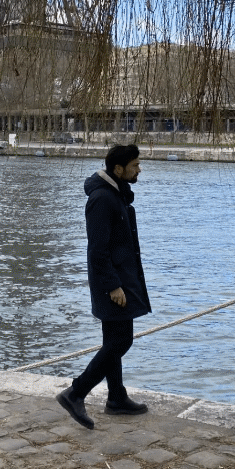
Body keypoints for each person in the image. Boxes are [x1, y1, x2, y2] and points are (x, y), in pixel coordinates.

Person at [55, 144, 153, 429]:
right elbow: (97, 249)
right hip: (112, 283)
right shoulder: (102, 198)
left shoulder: (115, 194)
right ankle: (76, 393)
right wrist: (113, 286)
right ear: (118, 169)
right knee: (121, 341)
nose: (139, 169)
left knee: (114, 340)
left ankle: (116, 398)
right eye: (134, 166)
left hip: (119, 278)